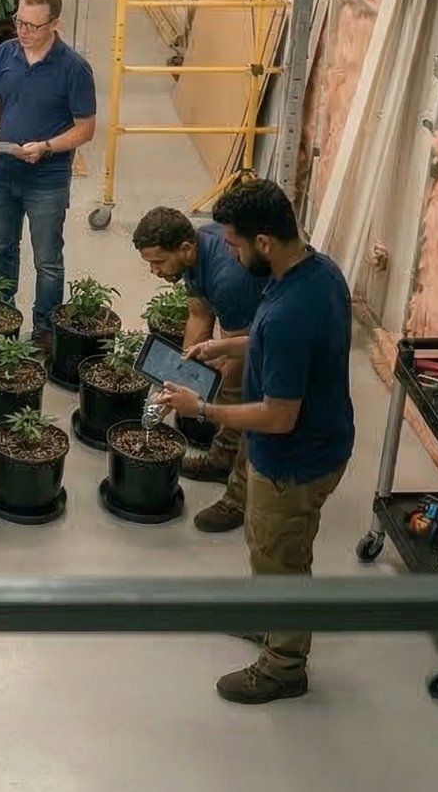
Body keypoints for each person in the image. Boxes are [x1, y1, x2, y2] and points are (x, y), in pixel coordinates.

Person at [158, 178, 355, 704]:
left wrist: (200, 408)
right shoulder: (319, 272)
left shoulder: (291, 310)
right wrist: (228, 344)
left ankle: (283, 665)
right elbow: (276, 338)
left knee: (280, 559)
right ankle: (270, 622)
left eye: (236, 244)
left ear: (264, 242)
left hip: (294, 460)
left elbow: (277, 415)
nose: (231, 252)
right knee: (269, 548)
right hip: (321, 440)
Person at [0, 0, 97, 351]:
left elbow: (85, 128)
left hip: (47, 181)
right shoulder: (6, 53)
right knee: (2, 248)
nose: (23, 32)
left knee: (48, 259)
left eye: (32, 26)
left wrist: (48, 147)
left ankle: (45, 329)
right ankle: (3, 319)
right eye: (19, 22)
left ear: (54, 24)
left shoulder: (74, 69)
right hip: (4, 174)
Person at [131, 205, 267, 534]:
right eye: (149, 262)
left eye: (159, 262)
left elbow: (236, 356)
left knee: (251, 406)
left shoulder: (228, 278)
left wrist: (200, 397)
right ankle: (222, 459)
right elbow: (198, 314)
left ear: (185, 249)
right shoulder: (195, 252)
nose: (154, 271)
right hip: (245, 335)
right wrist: (179, 375)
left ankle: (238, 498)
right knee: (228, 393)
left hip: (270, 338)